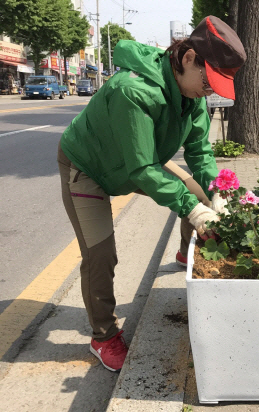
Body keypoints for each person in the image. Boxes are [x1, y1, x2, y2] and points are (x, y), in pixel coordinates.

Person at [57, 16, 246, 372]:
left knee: (198, 193)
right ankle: (103, 336)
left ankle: (185, 249)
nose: (210, 92)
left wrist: (217, 192)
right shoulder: (133, 90)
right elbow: (143, 170)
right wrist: (193, 209)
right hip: (89, 168)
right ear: (188, 57)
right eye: (209, 82)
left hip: (140, 162)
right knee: (100, 255)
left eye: (217, 87)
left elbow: (200, 153)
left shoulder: (192, 96)